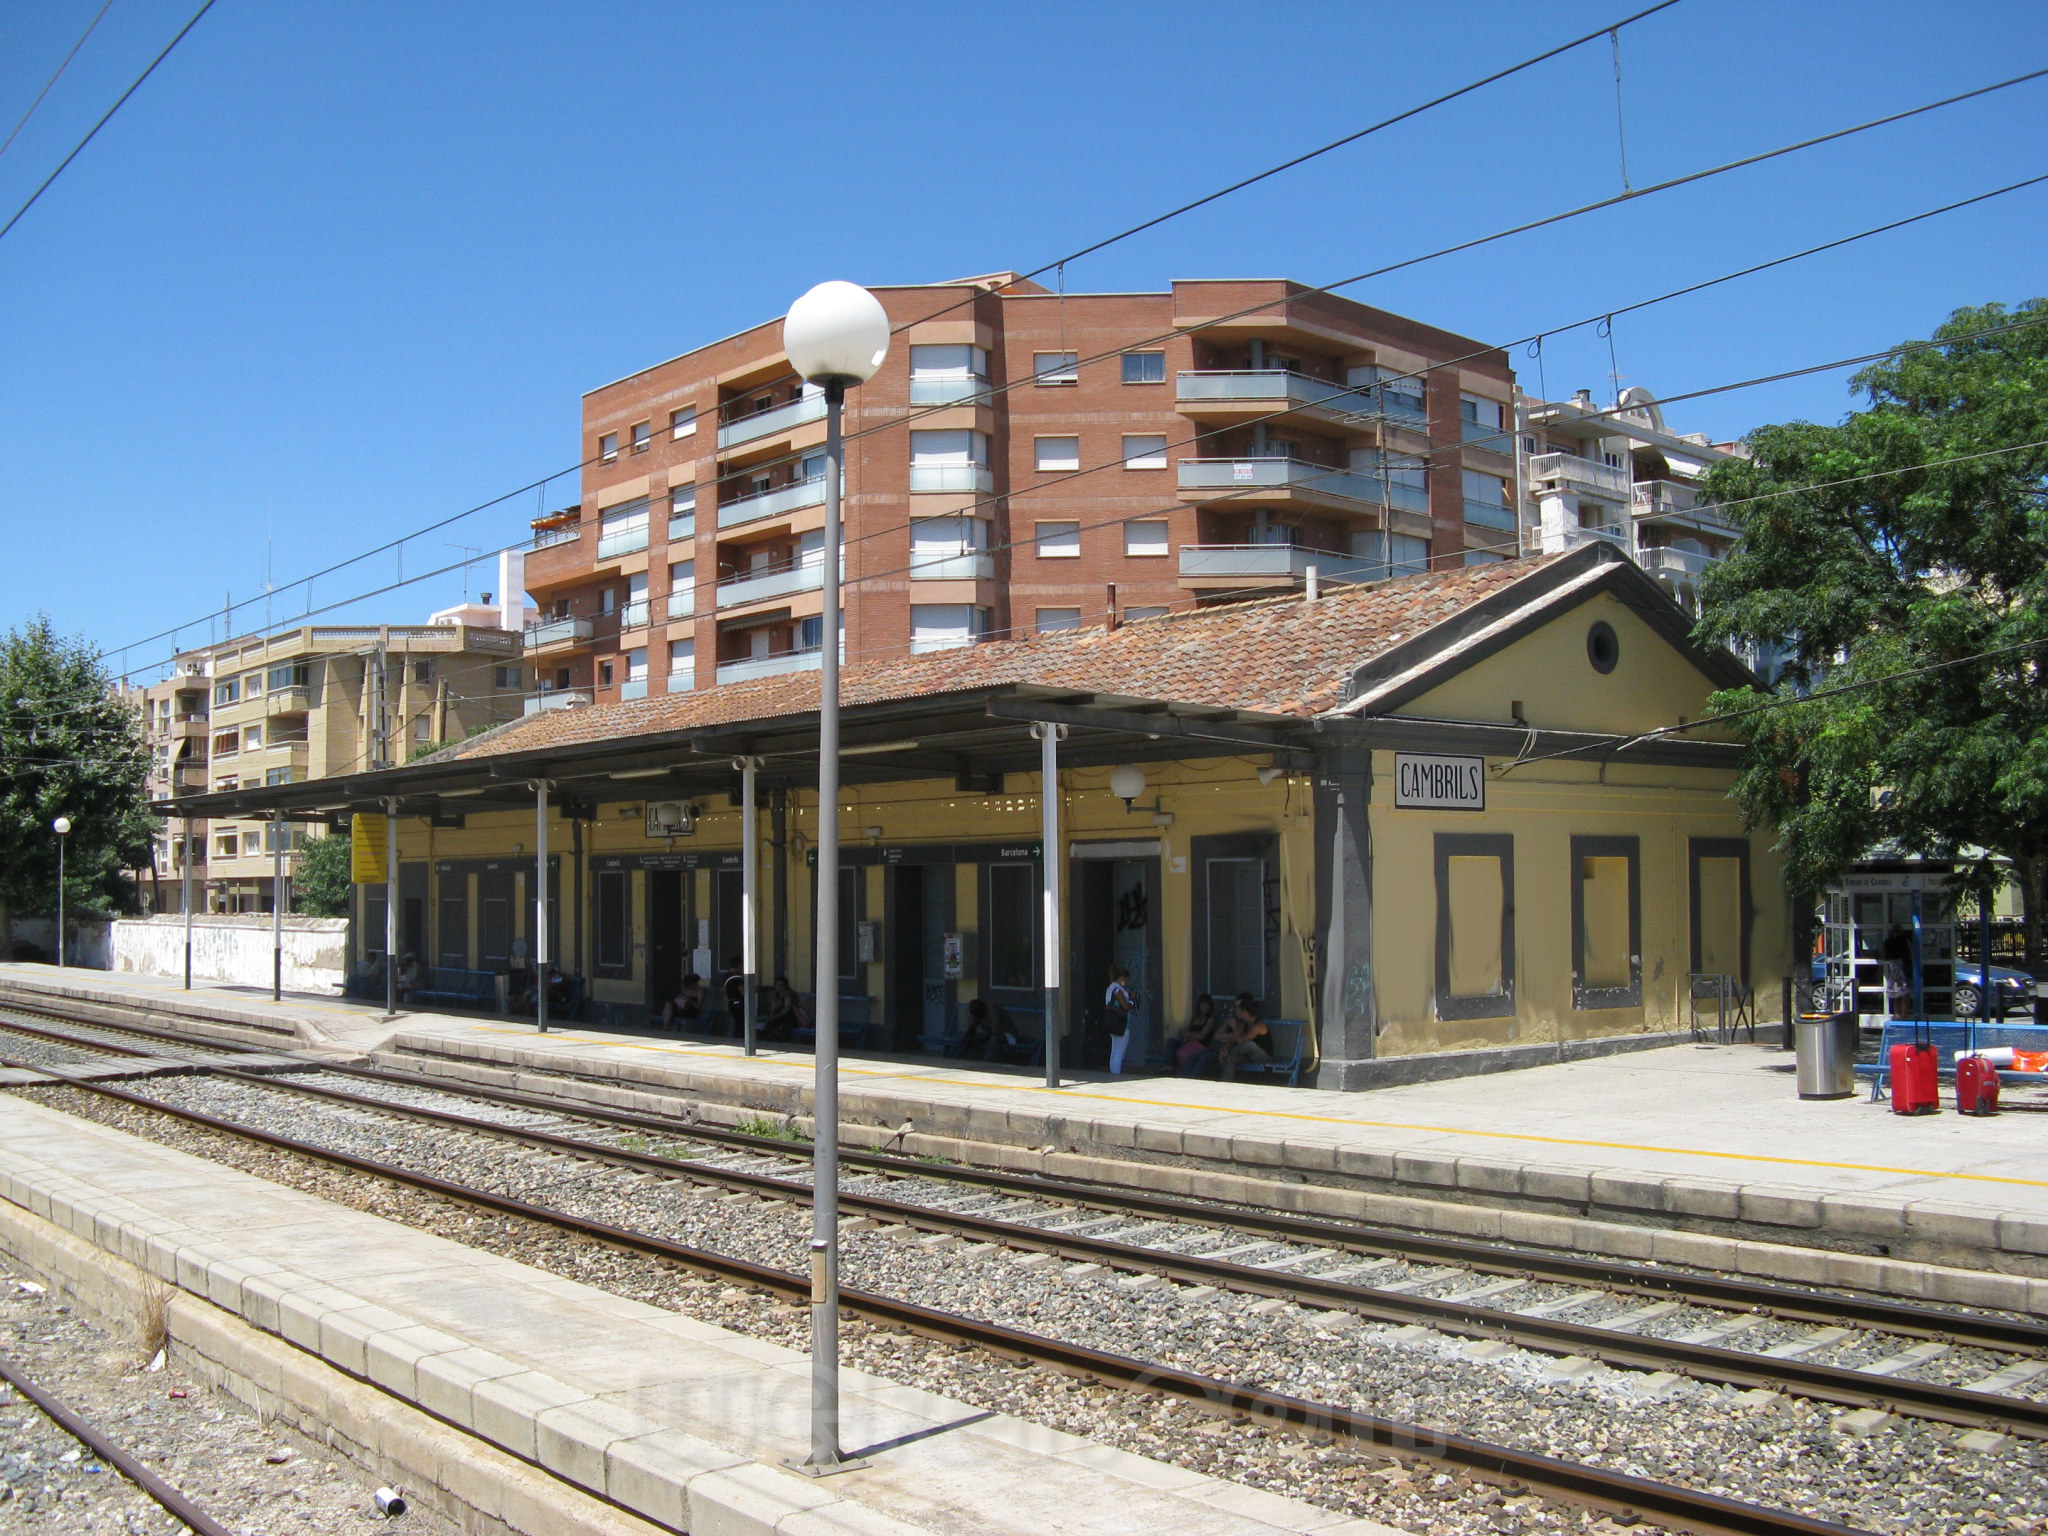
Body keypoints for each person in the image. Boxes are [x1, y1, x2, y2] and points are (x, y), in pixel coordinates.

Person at [1215, 992, 1272, 1081]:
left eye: (1239, 1010)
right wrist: (1225, 1048)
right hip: (1248, 1055)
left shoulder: (1259, 1026)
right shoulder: (1243, 1023)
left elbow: (1242, 1041)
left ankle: (1229, 1052)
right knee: (1230, 1058)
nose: (1236, 1012)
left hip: (1263, 1057)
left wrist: (1234, 1027)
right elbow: (1235, 1038)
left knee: (1250, 1044)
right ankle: (1225, 1083)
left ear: (1245, 1012)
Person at [1171, 994, 1221, 1076]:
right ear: (1199, 1005)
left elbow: (1201, 1036)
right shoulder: (1194, 1017)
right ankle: (1168, 1068)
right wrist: (1194, 1034)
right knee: (1171, 1043)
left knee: (1186, 1055)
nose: (1206, 1007)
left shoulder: (1210, 1020)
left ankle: (1185, 1076)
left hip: (1201, 1046)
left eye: (1208, 1005)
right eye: (1204, 1004)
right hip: (1189, 1043)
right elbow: (1183, 1033)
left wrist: (1190, 1035)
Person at [1103, 965, 1139, 1074]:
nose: (1127, 981)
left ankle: (1113, 1074)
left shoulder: (1110, 989)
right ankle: (1116, 1076)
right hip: (1122, 1025)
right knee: (1119, 1054)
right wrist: (1132, 1000)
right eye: (1126, 979)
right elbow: (1126, 1006)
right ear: (1121, 977)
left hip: (1113, 1023)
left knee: (1114, 1053)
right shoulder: (1118, 990)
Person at [959, 997, 1019, 1061]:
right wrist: (968, 1037)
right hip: (988, 1033)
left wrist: (980, 1040)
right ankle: (953, 1060)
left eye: (978, 1014)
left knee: (993, 1040)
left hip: (1006, 1033)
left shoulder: (993, 1010)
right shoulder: (976, 1012)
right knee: (963, 1038)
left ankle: (986, 1063)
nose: (977, 1016)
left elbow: (995, 1031)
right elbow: (972, 1026)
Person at [764, 976, 807, 1042]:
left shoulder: (788, 994)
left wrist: (776, 1016)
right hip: (779, 1016)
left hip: (790, 1017)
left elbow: (786, 1009)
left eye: (780, 985)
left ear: (785, 985)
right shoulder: (776, 995)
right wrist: (772, 1015)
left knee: (783, 1025)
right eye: (776, 984)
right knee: (769, 1024)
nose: (778, 986)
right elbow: (773, 1007)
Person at [721, 958, 747, 1036]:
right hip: (739, 1003)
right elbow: (743, 992)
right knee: (740, 1023)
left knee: (735, 1022)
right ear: (739, 966)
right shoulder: (738, 978)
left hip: (731, 1002)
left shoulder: (726, 976)